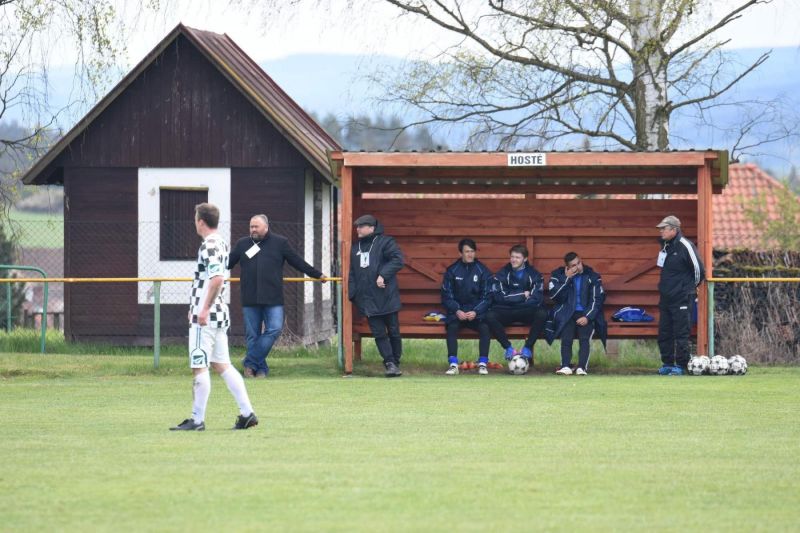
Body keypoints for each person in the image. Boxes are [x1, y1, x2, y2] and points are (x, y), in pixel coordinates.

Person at [171, 203, 258, 431]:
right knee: (223, 365)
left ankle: (197, 420)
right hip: (219, 313)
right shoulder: (220, 241)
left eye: (195, 218)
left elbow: (217, 278)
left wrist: (203, 309)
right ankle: (247, 413)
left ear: (200, 221)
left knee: (199, 365)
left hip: (206, 317)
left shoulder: (209, 244)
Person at [228, 214, 325, 378]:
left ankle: (249, 363)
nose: (253, 230)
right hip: (250, 298)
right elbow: (228, 263)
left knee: (274, 329)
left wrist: (317, 274)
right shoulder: (242, 244)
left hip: (273, 298)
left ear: (266, 227)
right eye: (251, 226)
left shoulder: (280, 243)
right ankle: (258, 369)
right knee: (253, 335)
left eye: (256, 227)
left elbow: (297, 261)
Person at [348, 214, 404, 377]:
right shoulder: (355, 247)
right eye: (357, 226)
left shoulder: (386, 242)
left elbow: (398, 260)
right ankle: (389, 363)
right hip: (367, 299)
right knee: (379, 333)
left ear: (371, 228)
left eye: (361, 226)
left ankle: (395, 362)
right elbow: (352, 273)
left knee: (393, 331)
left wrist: (383, 275)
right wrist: (353, 294)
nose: (357, 229)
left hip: (386, 296)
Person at [656, 215, 705, 376]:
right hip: (666, 299)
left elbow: (699, 270)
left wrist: (690, 289)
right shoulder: (665, 247)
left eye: (664, 228)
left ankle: (682, 366)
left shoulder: (685, 245)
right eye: (661, 229)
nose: (661, 231)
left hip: (682, 298)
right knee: (664, 332)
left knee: (681, 332)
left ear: (674, 230)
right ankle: (668, 364)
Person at [485, 244, 548, 365]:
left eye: (517, 257)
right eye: (512, 257)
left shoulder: (535, 275)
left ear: (525, 259)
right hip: (507, 311)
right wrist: (523, 295)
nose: (514, 260)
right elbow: (499, 297)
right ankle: (508, 349)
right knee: (489, 316)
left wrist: (512, 297)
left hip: (526, 311)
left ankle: (527, 348)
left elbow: (536, 298)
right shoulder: (502, 274)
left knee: (542, 313)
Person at [547, 252, 607, 375]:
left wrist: (587, 316)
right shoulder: (558, 275)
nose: (578, 267)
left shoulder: (593, 276)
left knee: (584, 337)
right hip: (567, 313)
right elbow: (555, 296)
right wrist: (566, 279)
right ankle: (565, 366)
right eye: (573, 265)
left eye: (579, 263)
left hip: (585, 313)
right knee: (566, 337)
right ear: (568, 267)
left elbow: (597, 300)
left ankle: (582, 367)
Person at [440, 238, 493, 375]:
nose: (470, 254)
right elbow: (447, 296)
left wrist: (475, 311)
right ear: (460, 253)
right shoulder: (452, 271)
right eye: (467, 252)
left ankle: (482, 363)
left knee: (485, 328)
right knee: (451, 327)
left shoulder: (483, 271)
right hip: (457, 313)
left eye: (472, 251)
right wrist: (457, 310)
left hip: (476, 313)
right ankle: (453, 364)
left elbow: (487, 297)